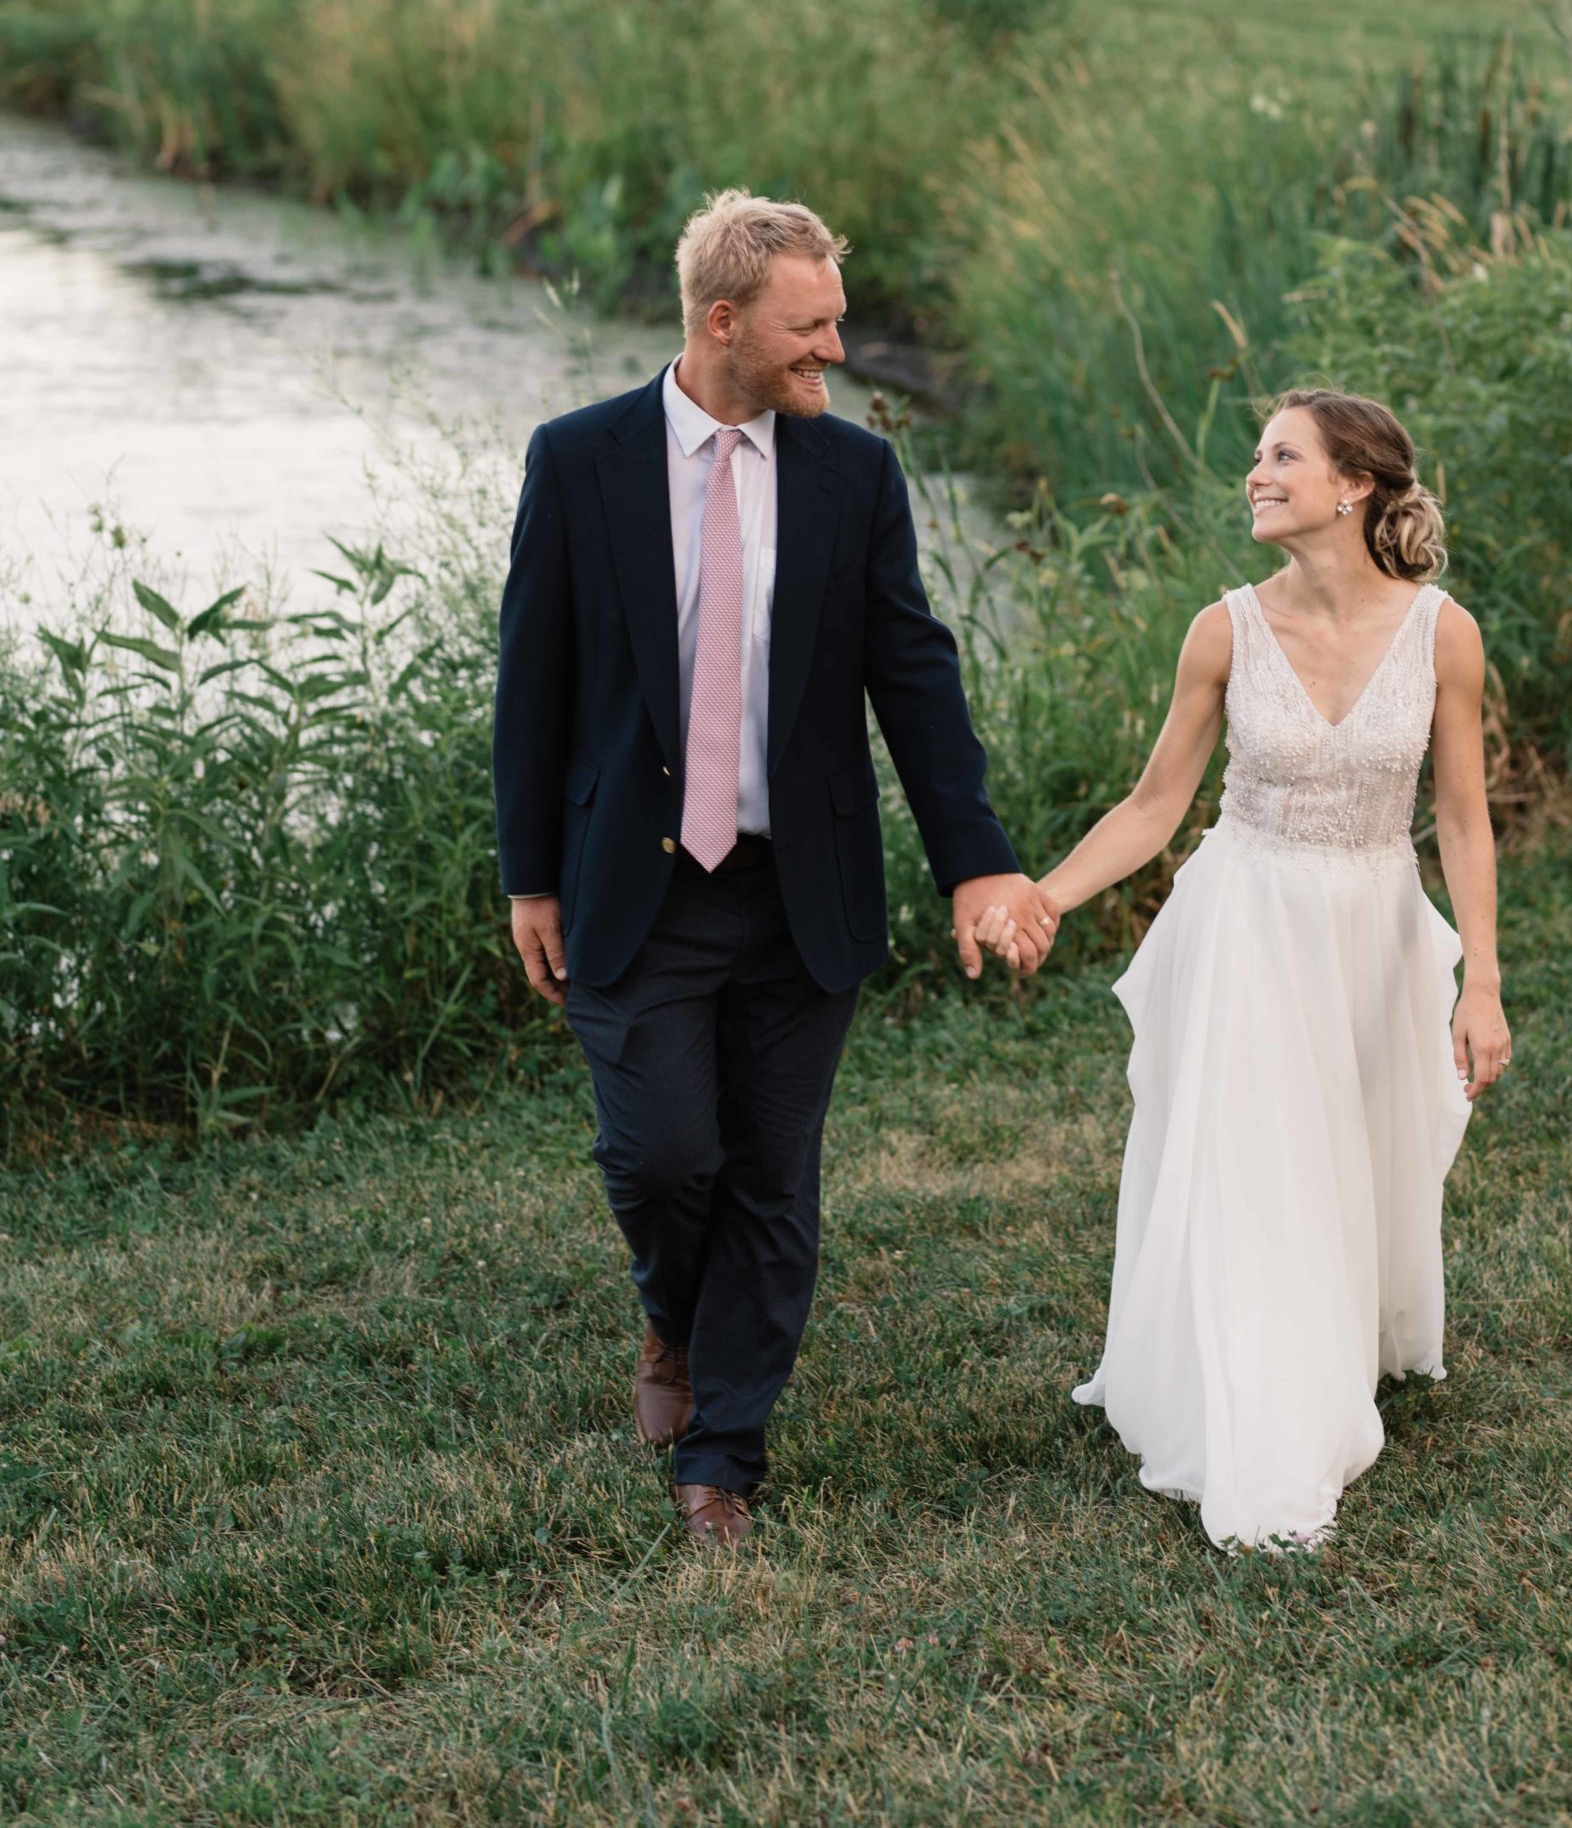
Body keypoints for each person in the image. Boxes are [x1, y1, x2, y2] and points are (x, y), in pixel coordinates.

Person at [493, 189, 1056, 1549]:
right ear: (723, 321)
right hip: (634, 880)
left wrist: (973, 863)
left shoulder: (853, 475)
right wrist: (529, 879)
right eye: (812, 329)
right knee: (661, 1155)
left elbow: (913, 676)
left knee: (771, 1177)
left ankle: (723, 1459)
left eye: (840, 324)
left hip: (802, 888)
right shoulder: (580, 462)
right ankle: (668, 1319)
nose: (837, 354)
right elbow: (534, 684)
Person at [976, 388, 1510, 1553]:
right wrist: (1043, 895)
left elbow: (1461, 819)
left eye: (1281, 456)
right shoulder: (1222, 628)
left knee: (1346, 1157)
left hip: (1371, 922)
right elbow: (1154, 803)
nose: (1256, 474)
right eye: (1256, 456)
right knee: (1256, 1162)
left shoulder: (1441, 632)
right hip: (1246, 918)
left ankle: (1335, 1338)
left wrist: (1480, 981)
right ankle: (1262, 1413)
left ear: (1352, 485)